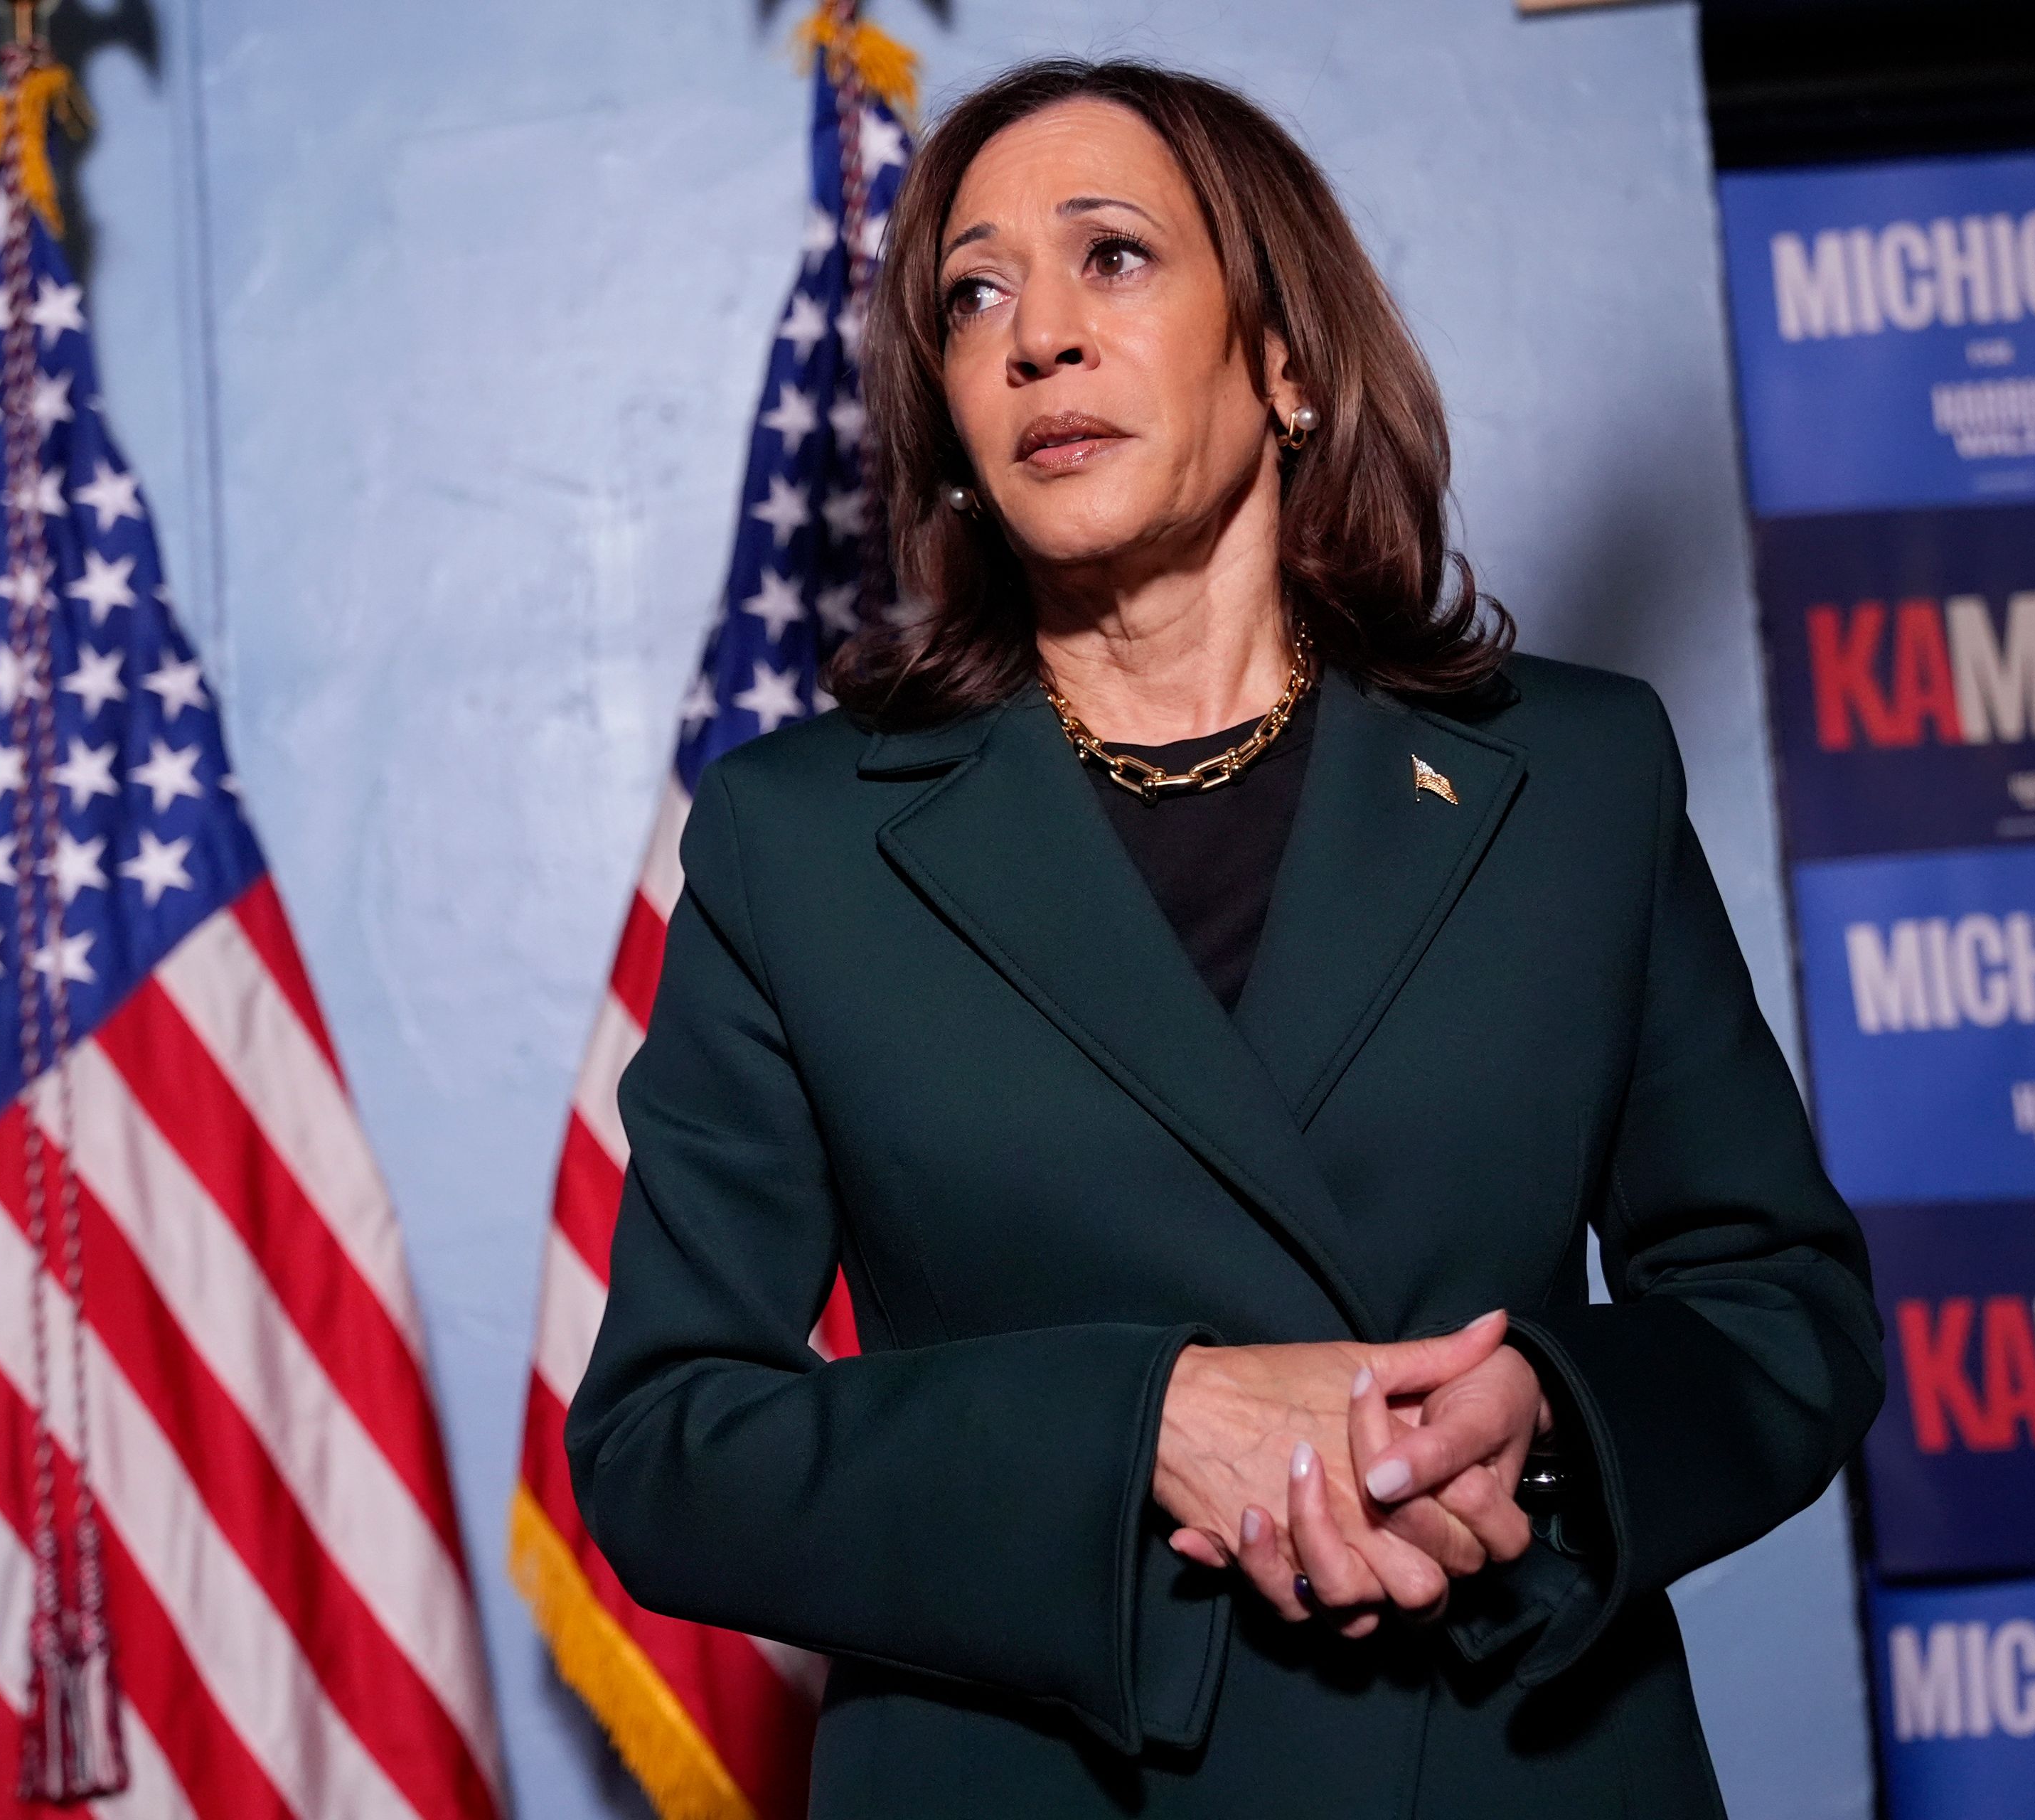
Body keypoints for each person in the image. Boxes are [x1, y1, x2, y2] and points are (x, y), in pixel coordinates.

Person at [564, 57, 1881, 1820]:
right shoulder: (799, 842)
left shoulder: (1571, 778)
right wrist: (1140, 1428)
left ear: (1284, 360)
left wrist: (1551, 1412)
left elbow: (1782, 1309)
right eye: (974, 293)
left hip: (1508, 1755)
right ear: (950, 416)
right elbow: (666, 1446)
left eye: (1111, 257)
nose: (1037, 334)